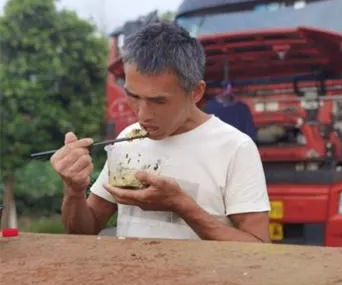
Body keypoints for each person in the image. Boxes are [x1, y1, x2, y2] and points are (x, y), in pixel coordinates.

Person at [50, 22, 270, 242]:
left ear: (195, 92)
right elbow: (82, 232)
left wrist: (182, 205)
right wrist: (74, 190)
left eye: (159, 101)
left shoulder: (234, 147)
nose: (142, 115)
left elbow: (259, 247)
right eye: (133, 96)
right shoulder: (128, 140)